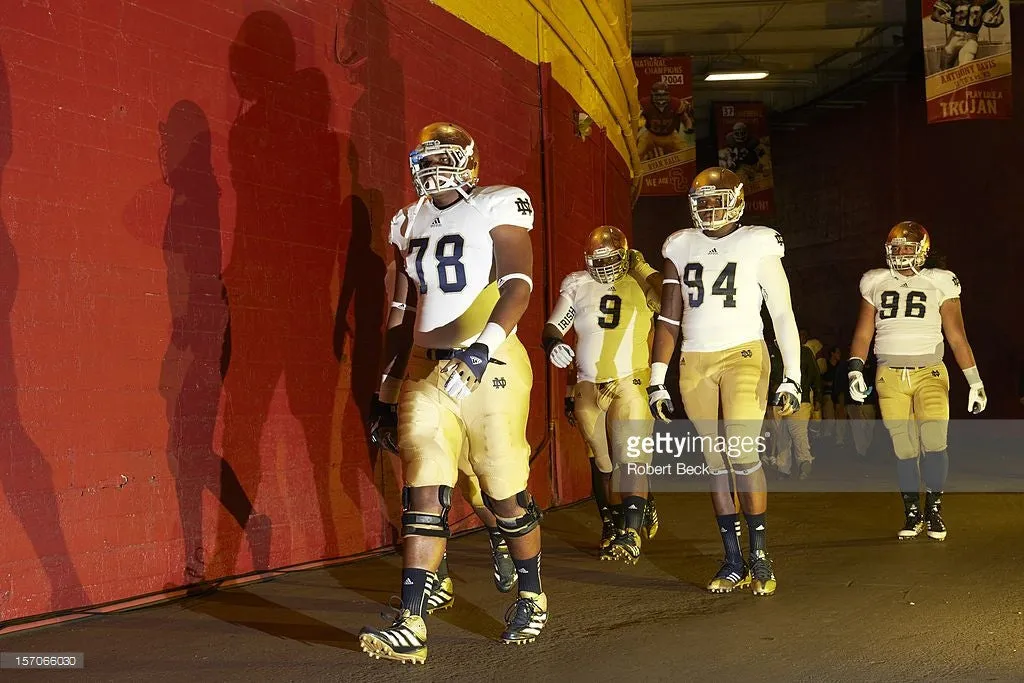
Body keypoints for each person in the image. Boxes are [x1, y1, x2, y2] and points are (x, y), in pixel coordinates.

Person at [361, 122, 546, 664]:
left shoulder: (497, 204)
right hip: (426, 365)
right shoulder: (408, 219)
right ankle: (412, 620)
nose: (434, 168)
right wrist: (386, 388)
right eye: (427, 157)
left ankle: (532, 593)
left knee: (500, 491)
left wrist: (484, 345)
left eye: (446, 157)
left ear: (469, 160)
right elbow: (401, 311)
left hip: (491, 360)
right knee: (423, 486)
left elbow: (519, 284)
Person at [647, 166, 803, 596]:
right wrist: (657, 379)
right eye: (703, 202)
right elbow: (668, 319)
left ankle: (760, 554)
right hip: (694, 360)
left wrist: (793, 375)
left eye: (718, 200)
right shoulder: (679, 244)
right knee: (713, 462)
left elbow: (782, 313)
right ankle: (733, 557)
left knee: (741, 448)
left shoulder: (757, 241)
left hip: (744, 354)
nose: (710, 209)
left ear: (737, 200)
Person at [376, 262, 518, 616]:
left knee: (476, 480)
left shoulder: (482, 243)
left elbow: (510, 301)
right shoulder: (405, 258)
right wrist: (385, 396)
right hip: (424, 377)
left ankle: (502, 535)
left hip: (476, 376)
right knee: (424, 488)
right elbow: (401, 326)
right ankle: (437, 581)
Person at [847, 221, 986, 542]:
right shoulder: (875, 281)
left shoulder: (941, 282)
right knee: (904, 449)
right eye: (896, 248)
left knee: (935, 442)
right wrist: (855, 367)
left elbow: (956, 336)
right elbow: (864, 331)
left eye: (908, 247)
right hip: (888, 374)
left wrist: (974, 381)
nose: (901, 253)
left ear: (922, 250)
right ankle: (913, 511)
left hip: (930, 372)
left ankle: (934, 508)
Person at [543, 226, 662, 563]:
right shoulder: (577, 283)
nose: (605, 265)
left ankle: (631, 530)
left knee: (629, 454)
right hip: (588, 383)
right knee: (602, 461)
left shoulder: (639, 282)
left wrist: (644, 269)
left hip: (630, 380)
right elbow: (556, 324)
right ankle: (613, 522)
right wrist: (552, 342)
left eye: (612, 258)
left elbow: (671, 295)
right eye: (599, 259)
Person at [772, 338, 822, 480]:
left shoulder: (804, 352)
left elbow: (814, 375)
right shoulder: (773, 351)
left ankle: (805, 464)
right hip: (778, 401)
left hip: (800, 399)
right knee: (781, 436)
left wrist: (817, 397)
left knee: (798, 433)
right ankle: (784, 468)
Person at [821, 346, 848, 445]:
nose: (839, 355)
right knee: (830, 418)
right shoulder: (825, 365)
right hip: (828, 394)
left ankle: (839, 439)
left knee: (841, 416)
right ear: (832, 353)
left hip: (839, 394)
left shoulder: (841, 366)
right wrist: (827, 383)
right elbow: (820, 379)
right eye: (837, 353)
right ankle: (827, 437)